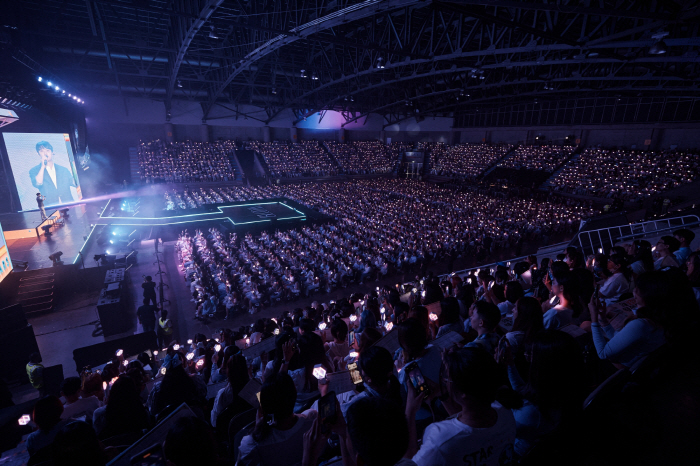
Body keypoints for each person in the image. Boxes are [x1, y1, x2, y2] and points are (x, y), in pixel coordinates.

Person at [408, 347, 516, 466]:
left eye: (447, 378)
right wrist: (442, 394)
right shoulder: (505, 411)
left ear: (464, 393)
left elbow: (408, 464)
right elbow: (468, 421)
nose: (445, 381)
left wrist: (409, 412)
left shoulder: (440, 441)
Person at [497, 330, 584, 458]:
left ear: (545, 365)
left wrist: (496, 375)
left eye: (531, 355)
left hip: (513, 455)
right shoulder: (561, 389)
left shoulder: (532, 412)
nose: (526, 357)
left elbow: (498, 430)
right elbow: (524, 391)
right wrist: (510, 364)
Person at [589, 271, 667, 370]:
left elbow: (603, 354)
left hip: (617, 371)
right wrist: (603, 319)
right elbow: (617, 339)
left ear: (646, 294)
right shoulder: (658, 316)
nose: (634, 291)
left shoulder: (641, 324)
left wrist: (594, 318)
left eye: (637, 288)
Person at [237, 373, 317, 466]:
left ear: (264, 406)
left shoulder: (252, 444)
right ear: (295, 393)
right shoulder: (313, 422)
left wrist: (257, 427)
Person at [29, 141, 77, 205]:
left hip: (69, 204)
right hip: (50, 207)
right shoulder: (34, 170)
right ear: (38, 154)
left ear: (52, 153)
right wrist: (43, 166)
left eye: (48, 150)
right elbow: (37, 183)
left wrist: (76, 170)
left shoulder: (63, 170)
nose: (45, 153)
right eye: (42, 151)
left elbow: (75, 182)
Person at [211, 354, 251, 427]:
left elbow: (214, 421)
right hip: (250, 426)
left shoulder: (223, 394)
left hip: (229, 432)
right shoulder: (254, 388)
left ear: (228, 371)